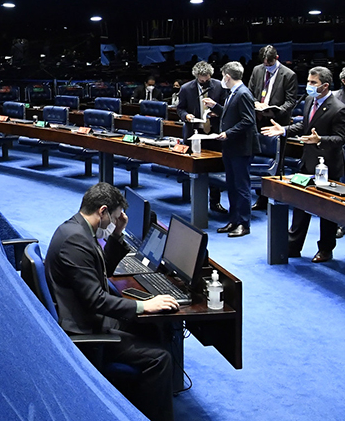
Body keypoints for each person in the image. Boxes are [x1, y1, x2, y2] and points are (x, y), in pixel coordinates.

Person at [46, 183, 176, 421]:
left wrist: (116, 234)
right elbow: (96, 299)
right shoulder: (76, 241)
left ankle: (136, 396)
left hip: (86, 314)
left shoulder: (77, 229)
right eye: (115, 218)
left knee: (152, 328)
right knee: (160, 358)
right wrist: (143, 305)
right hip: (85, 329)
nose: (115, 222)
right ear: (102, 211)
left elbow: (99, 272)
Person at [262, 66, 345, 262]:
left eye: (313, 83)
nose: (308, 86)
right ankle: (293, 245)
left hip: (329, 166)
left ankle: (326, 249)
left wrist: (319, 140)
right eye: (308, 82)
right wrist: (284, 130)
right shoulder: (310, 100)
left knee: (327, 210)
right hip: (308, 161)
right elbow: (304, 126)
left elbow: (340, 139)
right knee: (300, 204)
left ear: (325, 86)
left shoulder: (339, 109)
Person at [203, 61, 260, 237]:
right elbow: (231, 114)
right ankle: (234, 220)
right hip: (230, 147)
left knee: (241, 187)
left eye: (222, 76)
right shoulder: (232, 93)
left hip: (241, 148)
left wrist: (228, 133)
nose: (222, 79)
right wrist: (215, 107)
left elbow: (248, 120)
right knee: (232, 186)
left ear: (227, 76)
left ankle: (244, 223)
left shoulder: (243, 93)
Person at [248, 45, 300, 210]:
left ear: (276, 58)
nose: (266, 66)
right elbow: (250, 92)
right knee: (258, 157)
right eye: (264, 63)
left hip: (277, 122)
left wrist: (273, 111)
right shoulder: (257, 70)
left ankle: (274, 198)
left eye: (269, 63)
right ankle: (261, 197)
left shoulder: (288, 75)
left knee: (277, 161)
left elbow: (291, 101)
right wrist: (255, 104)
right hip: (258, 119)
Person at [175, 61, 227, 212]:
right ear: (196, 76)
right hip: (194, 133)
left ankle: (215, 202)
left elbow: (226, 108)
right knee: (195, 168)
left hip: (214, 132)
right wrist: (186, 116)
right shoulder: (186, 88)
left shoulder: (219, 86)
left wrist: (216, 111)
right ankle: (197, 202)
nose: (205, 82)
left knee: (215, 167)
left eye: (207, 79)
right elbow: (180, 109)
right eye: (201, 80)